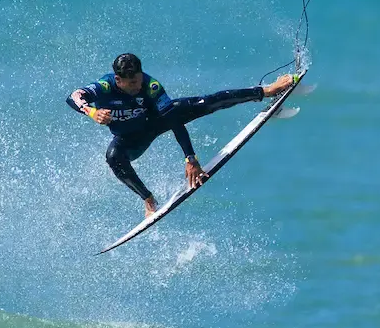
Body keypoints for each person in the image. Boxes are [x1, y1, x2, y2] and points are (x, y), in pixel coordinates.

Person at [67, 53, 294, 217]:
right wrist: (92, 112)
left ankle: (265, 91)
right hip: (130, 140)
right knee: (113, 157)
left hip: (155, 122)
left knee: (208, 102)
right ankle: (148, 199)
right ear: (118, 80)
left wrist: (190, 158)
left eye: (139, 79)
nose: (138, 85)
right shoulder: (105, 86)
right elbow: (74, 96)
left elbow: (173, 120)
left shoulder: (150, 85)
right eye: (132, 83)